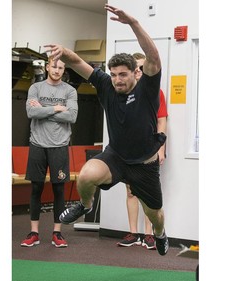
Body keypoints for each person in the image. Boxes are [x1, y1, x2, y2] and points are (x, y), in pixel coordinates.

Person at [46, 4, 169, 256]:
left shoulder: (147, 89)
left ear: (137, 73)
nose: (117, 80)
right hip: (116, 157)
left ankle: (159, 234)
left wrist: (134, 23)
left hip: (144, 164)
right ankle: (85, 205)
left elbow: (154, 56)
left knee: (154, 213)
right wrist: (64, 52)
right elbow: (78, 62)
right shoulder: (106, 85)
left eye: (123, 74)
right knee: (86, 175)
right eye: (113, 74)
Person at [20, 57, 78, 248]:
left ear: (64, 70)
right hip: (37, 144)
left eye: (61, 67)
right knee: (36, 188)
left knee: (59, 189)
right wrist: (55, 108)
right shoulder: (35, 88)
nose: (57, 70)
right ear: (47, 67)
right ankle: (34, 233)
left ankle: (57, 233)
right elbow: (31, 113)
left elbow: (72, 116)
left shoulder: (70, 91)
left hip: (59, 145)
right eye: (54, 66)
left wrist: (43, 110)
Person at [117, 52, 168, 250]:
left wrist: (160, 148)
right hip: (128, 151)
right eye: (135, 68)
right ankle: (134, 233)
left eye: (141, 67)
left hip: (149, 150)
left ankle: (149, 234)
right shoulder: (123, 93)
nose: (138, 71)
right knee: (130, 191)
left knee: (148, 194)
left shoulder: (154, 91)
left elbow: (162, 119)